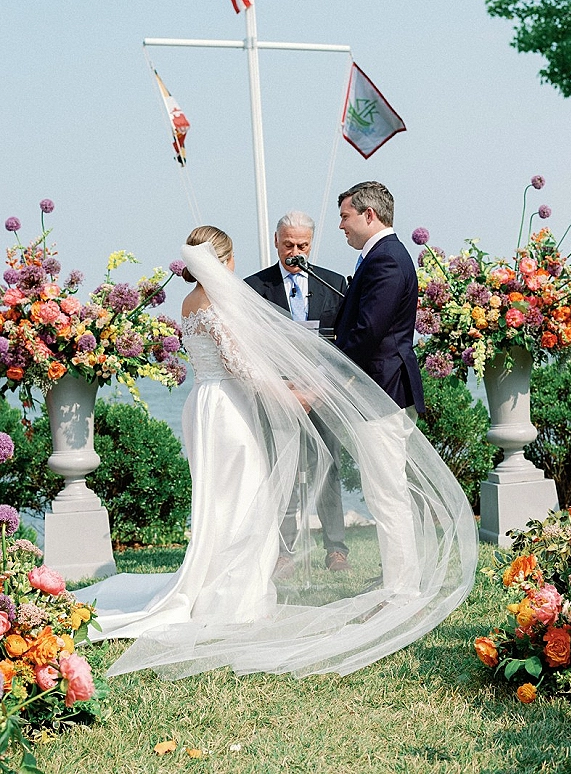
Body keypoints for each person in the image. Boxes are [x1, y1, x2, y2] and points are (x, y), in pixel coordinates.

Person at [80, 224, 478, 680]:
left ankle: (215, 583)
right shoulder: (216, 304)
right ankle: (235, 597)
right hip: (229, 409)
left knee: (219, 501)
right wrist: (294, 395)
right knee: (247, 500)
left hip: (205, 405)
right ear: (221, 260)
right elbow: (243, 367)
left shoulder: (189, 302)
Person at [245, 211, 350, 575]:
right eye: (288, 244)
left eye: (302, 245)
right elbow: (249, 346)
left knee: (330, 468)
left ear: (311, 244)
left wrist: (316, 387)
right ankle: (283, 550)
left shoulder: (334, 283)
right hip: (277, 394)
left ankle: (336, 549)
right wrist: (283, 388)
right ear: (276, 241)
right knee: (281, 470)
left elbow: (343, 345)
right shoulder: (254, 287)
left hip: (323, 393)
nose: (295, 251)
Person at [335, 181, 425, 416]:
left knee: (385, 455)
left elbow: (368, 331)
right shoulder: (383, 254)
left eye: (345, 216)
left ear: (369, 214)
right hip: (380, 393)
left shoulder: (386, 260)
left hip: (383, 394)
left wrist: (328, 376)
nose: (341, 225)